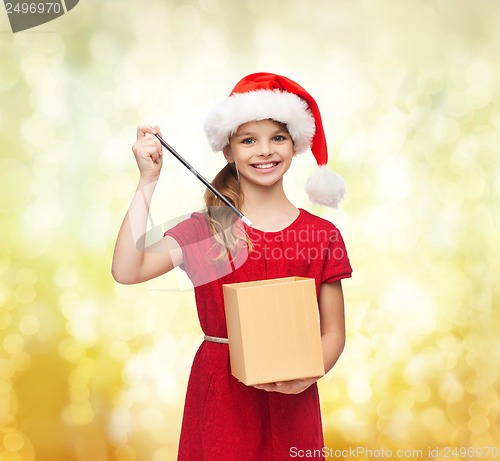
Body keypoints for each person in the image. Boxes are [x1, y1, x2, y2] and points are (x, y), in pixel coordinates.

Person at [112, 72, 352, 461]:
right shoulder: (208, 231)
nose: (264, 151)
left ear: (295, 145)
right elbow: (128, 269)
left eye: (277, 137)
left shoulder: (321, 234)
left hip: (296, 399)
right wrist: (147, 181)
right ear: (228, 151)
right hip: (222, 398)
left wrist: (306, 374)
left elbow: (334, 332)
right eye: (248, 140)